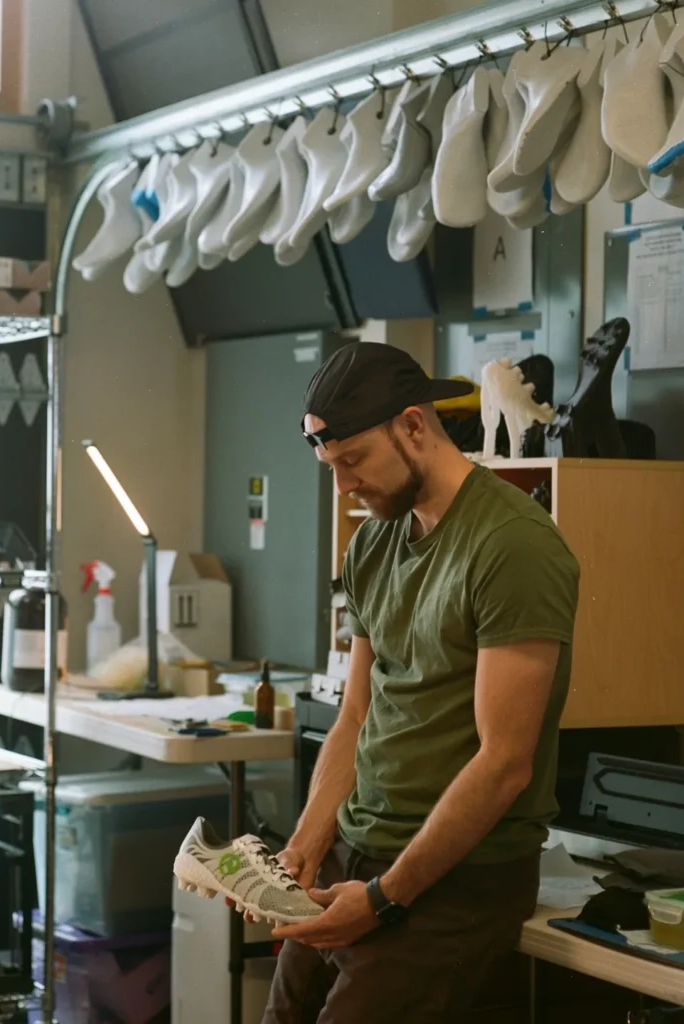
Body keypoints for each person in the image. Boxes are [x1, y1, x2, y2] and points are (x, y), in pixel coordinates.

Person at [262, 342, 580, 1023]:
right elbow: (355, 715)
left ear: (413, 426)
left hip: (457, 881)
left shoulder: (513, 547)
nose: (343, 485)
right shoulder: (373, 543)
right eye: (329, 465)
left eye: (353, 461)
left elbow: (504, 763)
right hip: (359, 848)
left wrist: (384, 897)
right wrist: (305, 847)